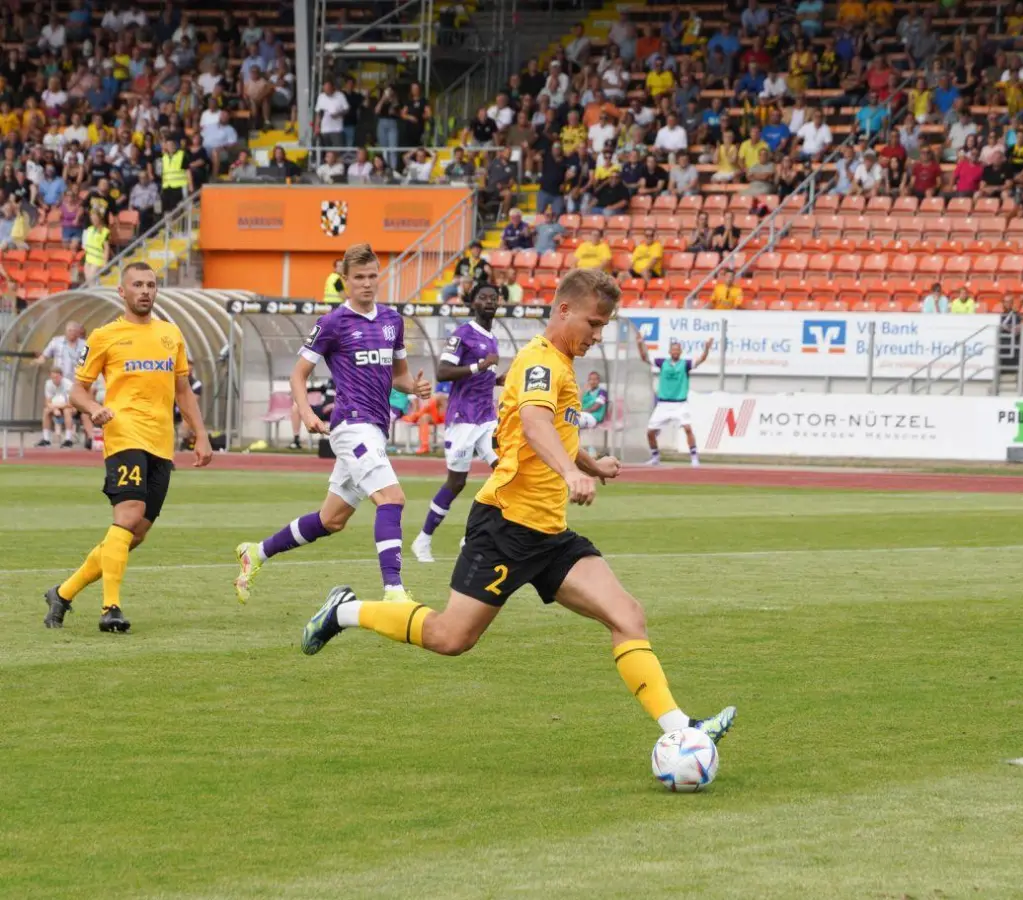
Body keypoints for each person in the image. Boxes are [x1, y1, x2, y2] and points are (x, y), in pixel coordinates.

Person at [296, 269, 737, 755]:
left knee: (628, 614)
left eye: (603, 327)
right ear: (564, 310)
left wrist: (590, 463)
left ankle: (681, 728)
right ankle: (345, 611)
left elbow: (558, 429)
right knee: (450, 637)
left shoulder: (562, 365)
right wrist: (572, 475)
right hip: (504, 526)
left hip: (550, 534)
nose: (596, 335)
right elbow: (533, 422)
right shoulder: (538, 361)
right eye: (593, 323)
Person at [234, 244, 432, 605]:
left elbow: (399, 376)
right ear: (345, 280)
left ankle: (256, 552)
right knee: (392, 498)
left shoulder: (392, 321)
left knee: (331, 520)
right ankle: (393, 591)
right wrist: (307, 412)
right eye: (359, 278)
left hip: (375, 428)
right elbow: (298, 374)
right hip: (351, 426)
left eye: (373, 276)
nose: (367, 284)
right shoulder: (332, 323)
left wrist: (414, 387)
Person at [42, 262, 213, 632]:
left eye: (151, 285)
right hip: (123, 434)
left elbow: (183, 390)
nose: (145, 291)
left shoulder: (171, 334)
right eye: (137, 284)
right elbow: (76, 390)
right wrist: (93, 408)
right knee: (129, 513)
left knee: (136, 533)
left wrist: (200, 433)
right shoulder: (106, 336)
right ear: (122, 292)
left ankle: (63, 592)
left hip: (161, 443)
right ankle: (110, 608)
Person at [412, 284, 504, 564]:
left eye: (493, 298)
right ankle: (423, 539)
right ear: (473, 303)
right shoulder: (463, 334)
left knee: (506, 471)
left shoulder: (492, 338)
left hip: (487, 418)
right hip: (462, 418)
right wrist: (480, 366)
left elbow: (484, 374)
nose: (488, 301)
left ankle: (472, 535)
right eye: (483, 297)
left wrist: (499, 379)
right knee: (456, 482)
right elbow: (443, 371)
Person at [637, 336, 712, 467]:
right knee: (650, 432)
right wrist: (640, 344)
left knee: (688, 428)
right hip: (663, 404)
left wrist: (706, 348)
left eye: (678, 350)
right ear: (670, 352)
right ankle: (655, 457)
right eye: (673, 350)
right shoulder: (662, 363)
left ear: (680, 352)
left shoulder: (685, 364)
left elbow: (701, 360)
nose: (675, 352)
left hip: (680, 404)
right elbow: (645, 358)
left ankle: (694, 457)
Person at [40, 367, 76, 447]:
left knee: (67, 411)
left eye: (56, 377)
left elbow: (71, 403)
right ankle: (46, 439)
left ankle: (68, 439)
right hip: (56, 407)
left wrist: (56, 407)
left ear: (61, 376)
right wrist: (55, 409)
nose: (55, 380)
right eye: (53, 378)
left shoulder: (68, 384)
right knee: (46, 411)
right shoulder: (48, 384)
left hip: (70, 407)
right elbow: (47, 402)